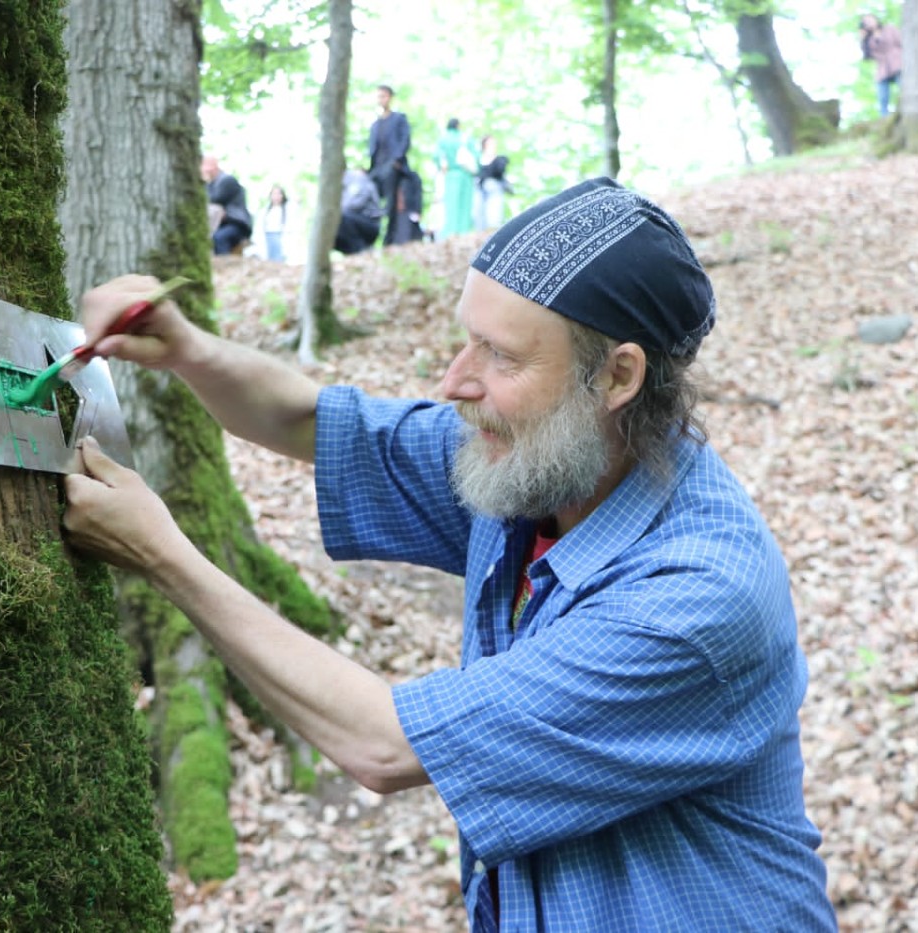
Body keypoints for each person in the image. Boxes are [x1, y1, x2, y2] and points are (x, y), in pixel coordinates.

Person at [62, 177, 837, 932]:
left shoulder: (698, 596)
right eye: (468, 339)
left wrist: (163, 554)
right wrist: (188, 350)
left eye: (500, 356)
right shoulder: (539, 459)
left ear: (618, 376)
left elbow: (383, 744)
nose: (455, 381)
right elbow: (309, 421)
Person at [367, 84, 412, 245]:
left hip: (392, 167)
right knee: (368, 200)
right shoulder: (375, 125)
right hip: (376, 169)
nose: (381, 99)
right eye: (379, 96)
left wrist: (396, 161)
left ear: (390, 97)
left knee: (391, 203)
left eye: (384, 96)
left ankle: (390, 239)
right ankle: (369, 237)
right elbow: (372, 149)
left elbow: (405, 141)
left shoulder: (399, 119)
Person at [433, 118, 479, 240]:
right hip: (466, 175)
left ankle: (449, 234)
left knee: (451, 205)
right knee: (465, 205)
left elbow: (436, 156)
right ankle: (463, 233)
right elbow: (476, 156)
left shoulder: (443, 140)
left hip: (450, 174)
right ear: (458, 125)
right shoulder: (466, 138)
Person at [200, 154, 252, 256]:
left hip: (236, 224)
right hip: (221, 224)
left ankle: (225, 266)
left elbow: (215, 199)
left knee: (219, 238)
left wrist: (202, 181)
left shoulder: (227, 180)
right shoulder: (211, 184)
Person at [859, 13, 903, 116]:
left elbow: (901, 41)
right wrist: (862, 39)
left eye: (870, 19)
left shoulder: (889, 28)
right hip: (882, 68)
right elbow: (867, 56)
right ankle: (884, 117)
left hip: (897, 62)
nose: (869, 22)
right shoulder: (868, 40)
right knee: (882, 95)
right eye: (866, 22)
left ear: (876, 19)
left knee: (903, 87)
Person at [334, 168, 383, 255]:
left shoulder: (357, 179)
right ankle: (353, 253)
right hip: (354, 223)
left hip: (370, 224)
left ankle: (361, 251)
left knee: (342, 217)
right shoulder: (341, 187)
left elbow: (353, 204)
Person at [474, 135, 512, 231]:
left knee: (494, 212)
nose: (492, 145)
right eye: (490, 143)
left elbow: (501, 172)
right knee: (479, 213)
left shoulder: (499, 159)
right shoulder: (478, 159)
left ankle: (492, 231)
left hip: (494, 186)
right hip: (479, 188)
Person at [262, 185, 288, 262]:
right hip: (267, 236)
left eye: (279, 194)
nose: (276, 196)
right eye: (274, 194)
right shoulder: (265, 210)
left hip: (280, 235)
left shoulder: (287, 209)